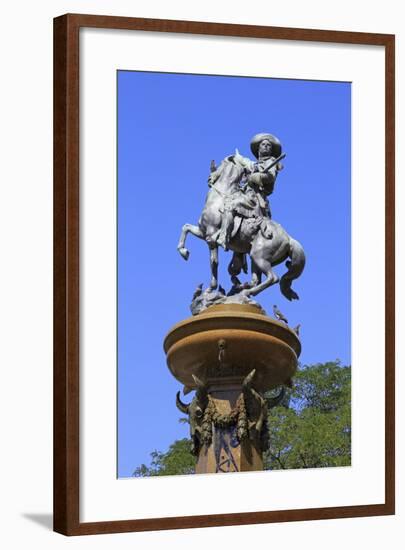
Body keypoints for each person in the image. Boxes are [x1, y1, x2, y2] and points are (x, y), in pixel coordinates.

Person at [209, 133, 283, 250]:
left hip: (255, 197)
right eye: (263, 145)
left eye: (269, 146)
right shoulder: (255, 164)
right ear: (258, 148)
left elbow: (270, 177)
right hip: (247, 193)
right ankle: (238, 256)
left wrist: (254, 177)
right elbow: (242, 164)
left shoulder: (270, 161)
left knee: (230, 205)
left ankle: (224, 237)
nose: (266, 147)